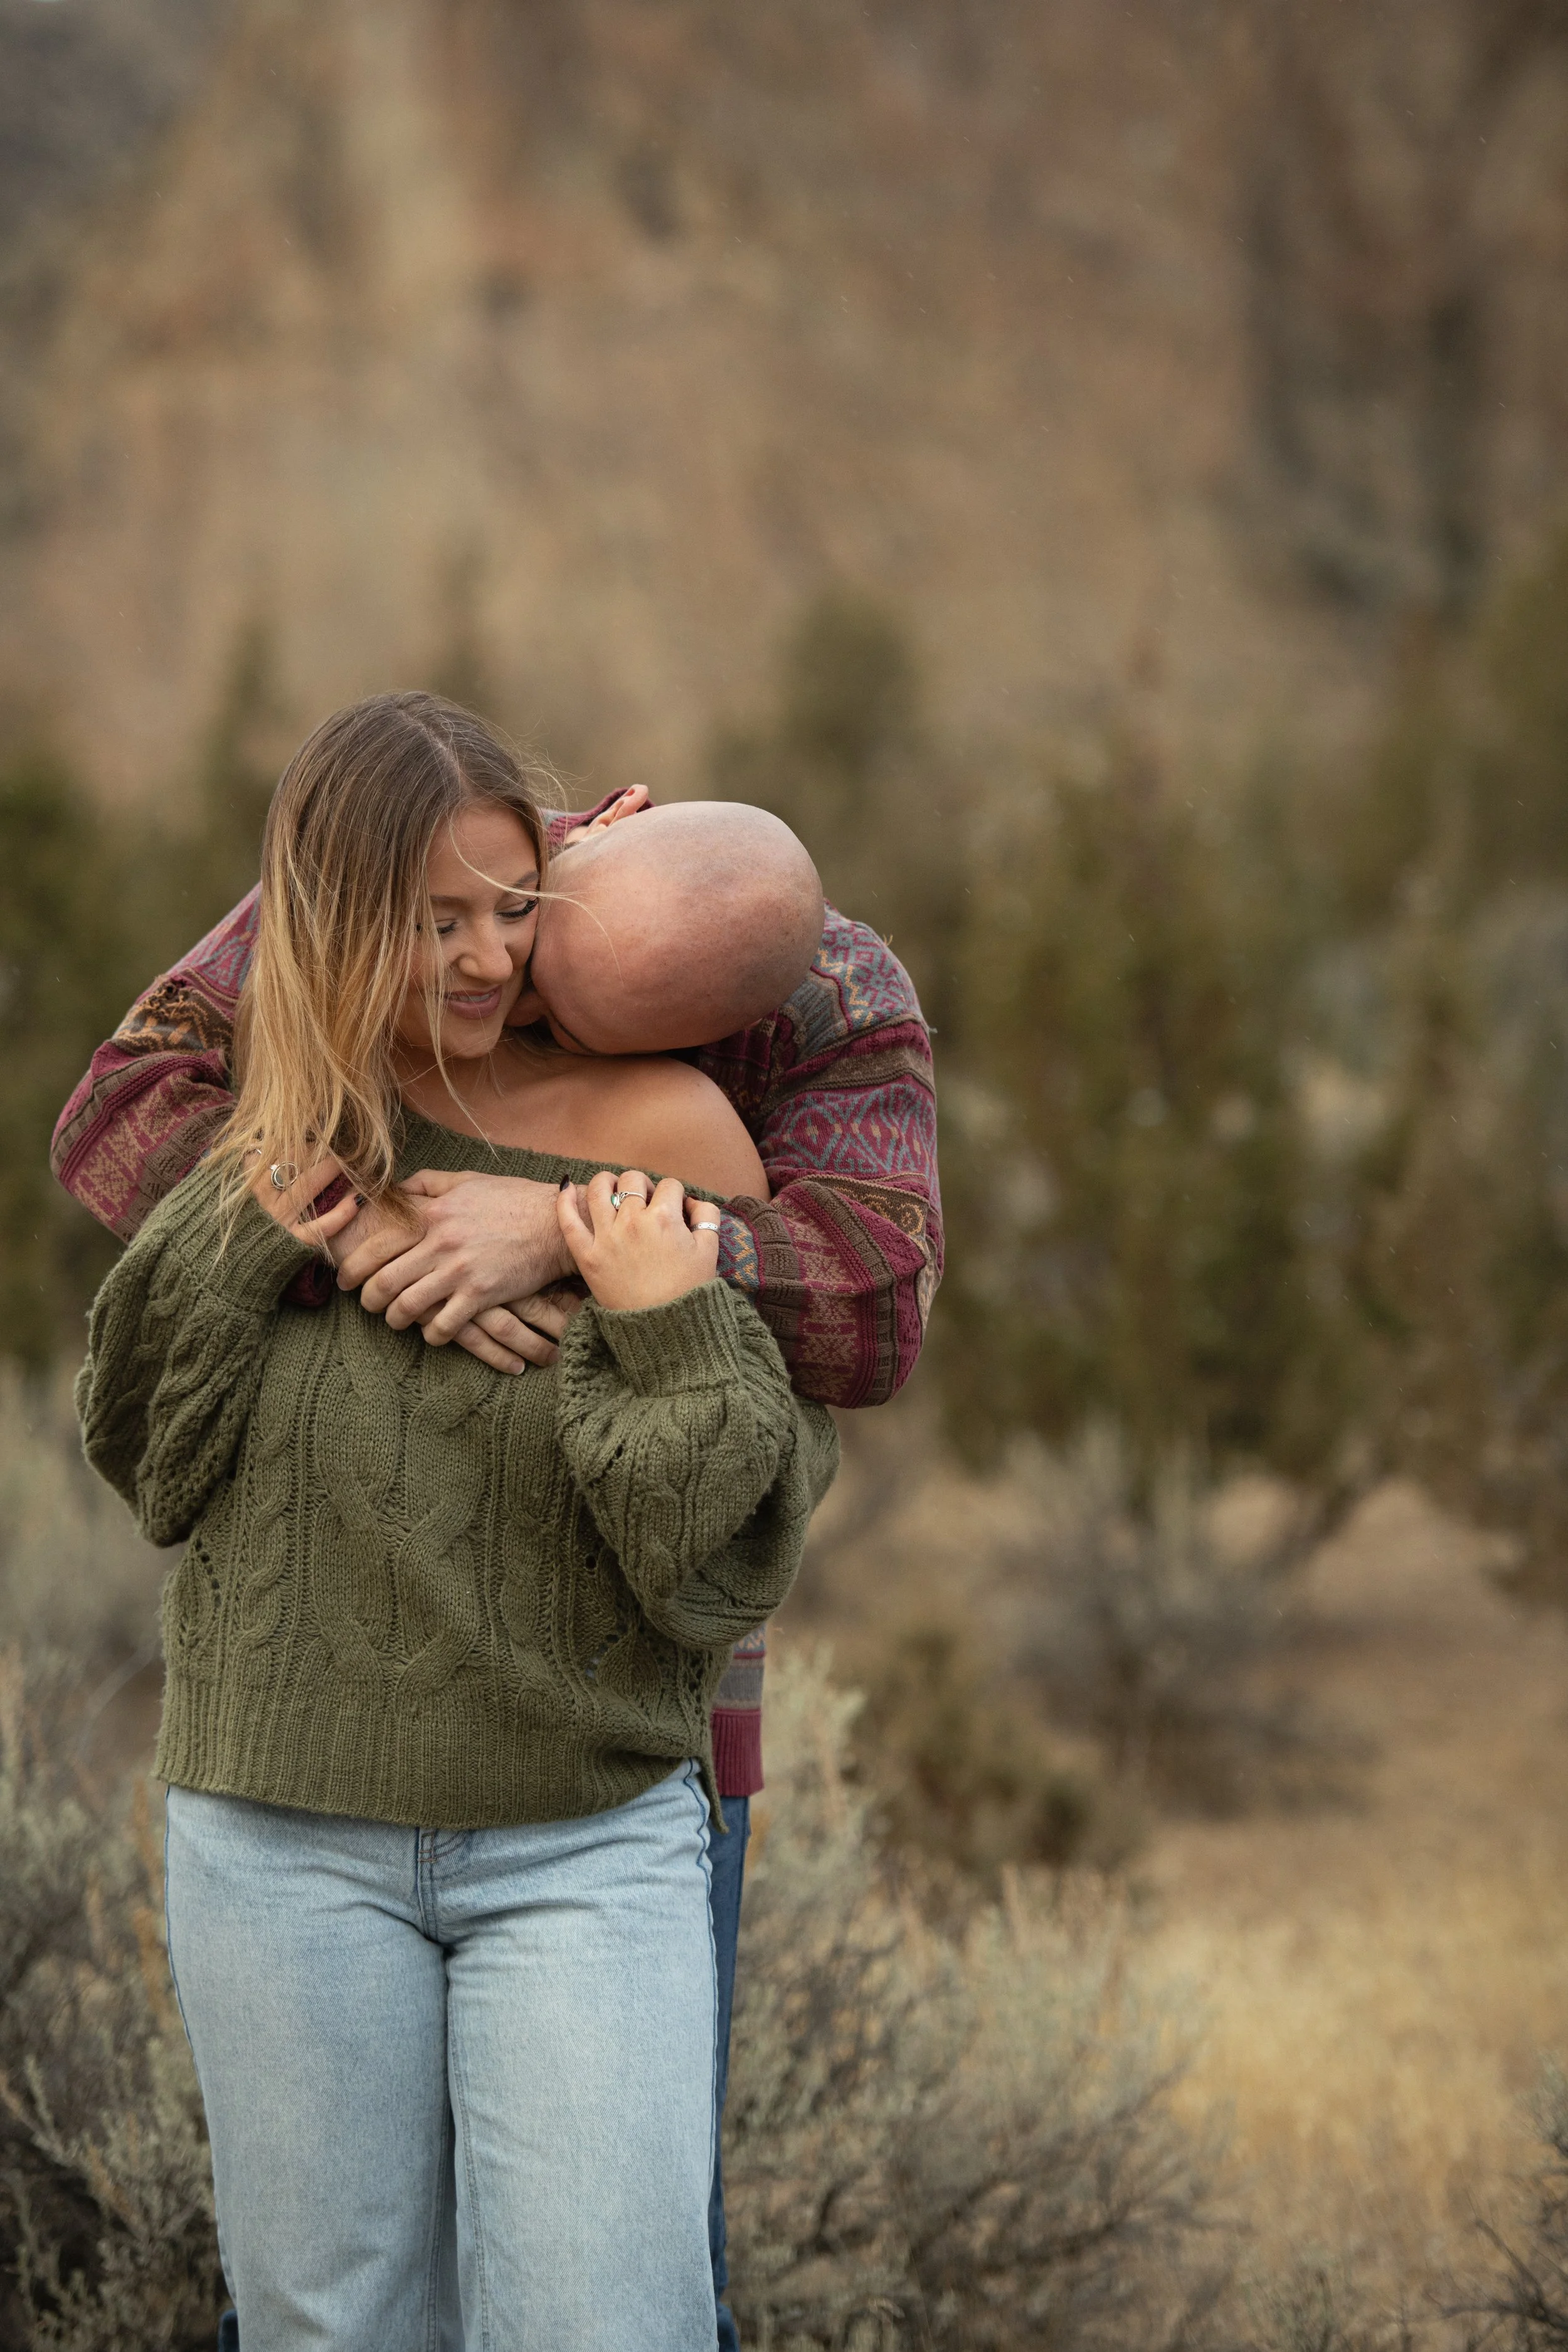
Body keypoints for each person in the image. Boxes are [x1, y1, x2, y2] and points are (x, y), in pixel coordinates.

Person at [53, 730, 943, 2352]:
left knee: (609, 2312)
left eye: (516, 930)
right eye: (472, 920)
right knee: (332, 2321)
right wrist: (343, 1219)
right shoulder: (349, 945)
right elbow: (138, 1394)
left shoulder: (788, 1012)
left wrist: (606, 1249)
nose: (498, 968)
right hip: (283, 1808)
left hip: (590, 1794)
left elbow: (852, 1337)